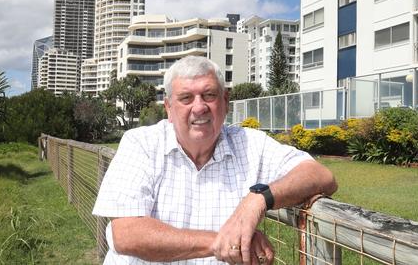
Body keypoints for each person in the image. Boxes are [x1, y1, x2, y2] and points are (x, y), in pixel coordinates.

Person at [93, 56, 337, 264]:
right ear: (168, 108)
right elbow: (126, 234)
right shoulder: (141, 143)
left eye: (209, 95)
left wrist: (259, 198)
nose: (199, 107)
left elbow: (321, 176)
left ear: (225, 102)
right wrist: (226, 241)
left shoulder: (252, 144)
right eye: (186, 98)